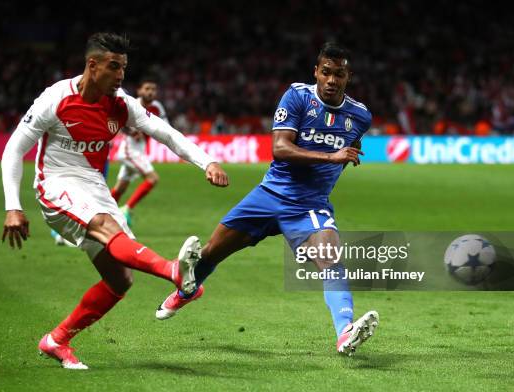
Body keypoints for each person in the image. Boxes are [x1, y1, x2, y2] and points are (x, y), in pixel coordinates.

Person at [0, 32, 229, 370]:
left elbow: (165, 133)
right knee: (106, 228)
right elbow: (14, 150)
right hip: (56, 183)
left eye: (124, 67)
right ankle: (175, 272)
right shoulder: (55, 98)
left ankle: (57, 340)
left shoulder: (120, 103)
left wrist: (206, 161)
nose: (121, 75)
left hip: (94, 187)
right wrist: (12, 206)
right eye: (114, 66)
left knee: (120, 280)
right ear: (92, 65)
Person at [154, 43, 379, 356]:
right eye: (325, 72)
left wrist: (336, 163)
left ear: (348, 77)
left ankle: (345, 331)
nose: (331, 80)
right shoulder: (297, 97)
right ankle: (185, 292)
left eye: (338, 74)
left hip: (309, 206)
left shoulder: (360, 116)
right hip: (269, 196)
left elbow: (349, 148)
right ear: (316, 72)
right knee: (211, 253)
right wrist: (331, 158)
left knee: (331, 260)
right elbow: (280, 148)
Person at [110, 78, 167, 224]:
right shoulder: (132, 104)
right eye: (147, 89)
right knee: (152, 178)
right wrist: (132, 132)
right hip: (130, 151)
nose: (150, 92)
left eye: (153, 89)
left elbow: (165, 126)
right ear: (140, 91)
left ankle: (105, 213)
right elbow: (119, 122)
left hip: (139, 151)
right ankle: (126, 209)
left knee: (121, 187)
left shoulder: (157, 107)